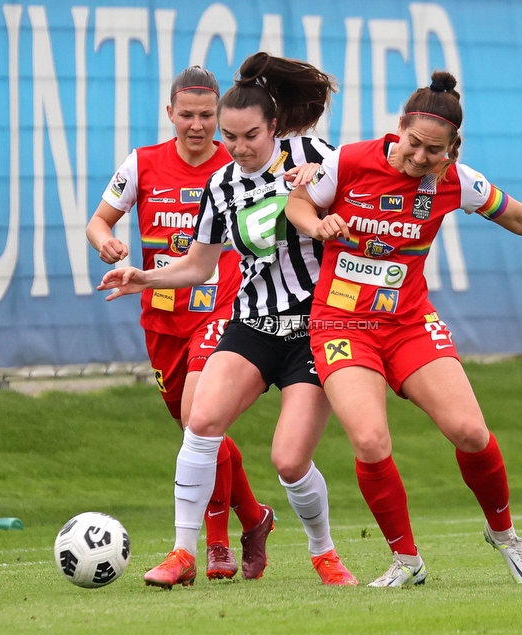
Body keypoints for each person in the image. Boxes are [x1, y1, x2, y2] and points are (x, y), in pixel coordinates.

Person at [284, 70, 522, 587]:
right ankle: (407, 560)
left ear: (453, 148)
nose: (420, 157)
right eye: (414, 143)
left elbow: (517, 216)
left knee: (471, 432)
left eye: (434, 150)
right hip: (342, 324)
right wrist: (318, 224)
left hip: (408, 323)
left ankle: (505, 534)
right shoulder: (347, 161)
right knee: (371, 440)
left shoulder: (455, 180)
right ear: (399, 127)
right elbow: (298, 204)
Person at [97, 53, 358, 587]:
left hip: (315, 327)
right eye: (232, 137)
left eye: (249, 136)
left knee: (289, 462)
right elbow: (199, 265)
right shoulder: (221, 185)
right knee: (201, 423)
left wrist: (324, 184)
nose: (237, 148)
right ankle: (183, 553)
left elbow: (368, 191)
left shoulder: (314, 155)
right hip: (254, 322)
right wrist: (141, 277)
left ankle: (324, 552)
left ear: (276, 127)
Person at [86, 66, 271, 582]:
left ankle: (210, 548)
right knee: (197, 430)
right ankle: (254, 519)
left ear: (219, 116)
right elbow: (98, 219)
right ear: (169, 113)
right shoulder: (142, 164)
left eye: (206, 115)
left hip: (221, 310)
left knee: (199, 422)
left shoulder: (237, 166)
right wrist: (106, 241)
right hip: (162, 319)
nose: (197, 125)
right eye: (186, 115)